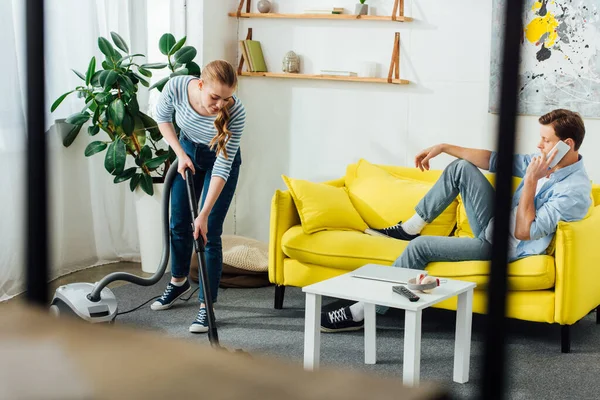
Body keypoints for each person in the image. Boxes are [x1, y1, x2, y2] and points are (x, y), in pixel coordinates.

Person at [321, 109, 592, 333]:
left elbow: (523, 232)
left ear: (566, 144)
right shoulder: (546, 162)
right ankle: (409, 228)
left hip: (501, 247)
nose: (538, 145)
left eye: (545, 140)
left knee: (421, 248)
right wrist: (445, 147)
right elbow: (494, 159)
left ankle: (362, 312)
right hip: (495, 223)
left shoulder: (573, 191)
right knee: (461, 167)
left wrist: (531, 181)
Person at [149, 60, 246, 334]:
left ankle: (207, 306)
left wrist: (202, 215)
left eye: (226, 99)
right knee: (178, 222)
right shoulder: (178, 86)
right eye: (215, 97)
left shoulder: (236, 112)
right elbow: (163, 118)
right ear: (200, 84)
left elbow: (223, 165)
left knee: (208, 233)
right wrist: (180, 155)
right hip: (188, 152)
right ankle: (178, 283)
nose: (220, 105)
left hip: (221, 162)